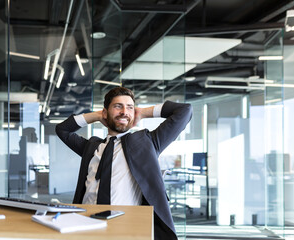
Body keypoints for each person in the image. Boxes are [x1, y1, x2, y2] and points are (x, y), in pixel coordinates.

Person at [55, 87, 192, 239]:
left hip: (126, 227)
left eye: (129, 107)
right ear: (106, 113)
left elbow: (184, 111)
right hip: (87, 225)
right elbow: (62, 130)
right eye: (118, 106)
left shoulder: (147, 143)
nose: (124, 112)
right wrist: (96, 115)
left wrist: (143, 112)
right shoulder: (92, 147)